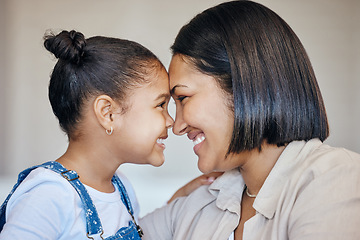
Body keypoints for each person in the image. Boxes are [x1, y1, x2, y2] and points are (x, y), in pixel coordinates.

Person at [139, 1, 360, 239]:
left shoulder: (333, 178)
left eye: (182, 97)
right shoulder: (197, 203)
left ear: (244, 86)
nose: (178, 126)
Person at [0, 30, 215, 240]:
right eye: (160, 105)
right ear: (108, 113)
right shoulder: (49, 195)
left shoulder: (121, 189)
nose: (171, 121)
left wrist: (182, 198)